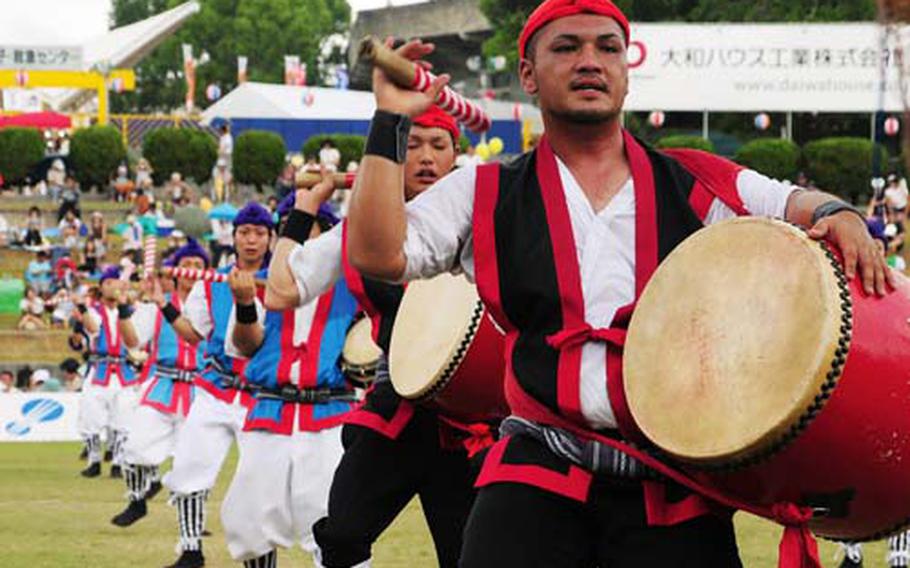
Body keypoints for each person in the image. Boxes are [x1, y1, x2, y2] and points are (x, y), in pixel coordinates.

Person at [345, 3, 891, 566]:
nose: (590, 62)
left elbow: (791, 202)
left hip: (671, 485)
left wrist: (838, 210)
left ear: (626, 72)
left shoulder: (691, 179)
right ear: (528, 75)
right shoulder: (482, 192)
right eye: (567, 48)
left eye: (607, 48)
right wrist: (390, 121)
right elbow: (378, 252)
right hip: (537, 470)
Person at [267, 108, 491, 568]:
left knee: (468, 556)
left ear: (456, 157)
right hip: (397, 408)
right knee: (343, 537)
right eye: (412, 145)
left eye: (438, 145)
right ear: (392, 156)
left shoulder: (491, 220)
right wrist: (303, 211)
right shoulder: (361, 231)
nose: (426, 158)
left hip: (476, 417)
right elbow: (281, 289)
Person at [221, 202, 357, 568]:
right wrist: (246, 304)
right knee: (252, 523)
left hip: (331, 415)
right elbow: (245, 345)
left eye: (307, 230)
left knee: (335, 523)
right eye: (289, 233)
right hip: (271, 411)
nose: (295, 242)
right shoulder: (263, 282)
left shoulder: (355, 286)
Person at [159, 202, 272, 568]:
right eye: (244, 233)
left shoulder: (283, 282)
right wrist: (164, 305)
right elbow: (195, 335)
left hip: (262, 396)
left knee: (259, 486)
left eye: (258, 233)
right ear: (234, 237)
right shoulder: (211, 284)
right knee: (190, 466)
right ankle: (190, 550)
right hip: (216, 389)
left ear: (271, 238)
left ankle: (261, 563)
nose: (251, 240)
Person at [109, 241, 211, 528]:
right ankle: (137, 498)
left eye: (199, 265)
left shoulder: (216, 304)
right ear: (175, 272)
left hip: (201, 391)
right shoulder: (156, 305)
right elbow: (132, 341)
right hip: (163, 385)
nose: (192, 270)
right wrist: (124, 310)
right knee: (135, 447)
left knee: (194, 465)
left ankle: (193, 526)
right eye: (187, 264)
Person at [73, 267, 142, 479]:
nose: (113, 286)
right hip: (99, 370)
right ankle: (94, 459)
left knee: (124, 418)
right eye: (108, 282)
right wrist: (82, 309)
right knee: (91, 416)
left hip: (123, 370)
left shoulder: (132, 312)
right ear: (101, 287)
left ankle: (118, 461)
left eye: (116, 282)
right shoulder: (94, 310)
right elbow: (93, 328)